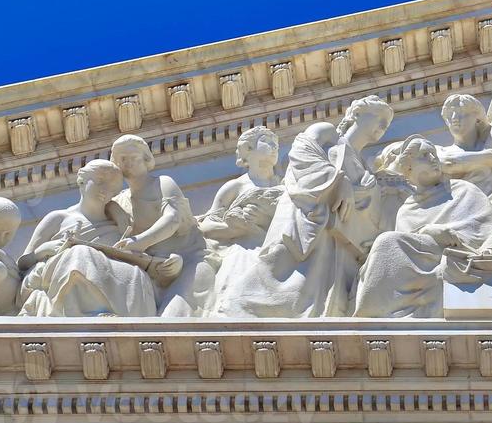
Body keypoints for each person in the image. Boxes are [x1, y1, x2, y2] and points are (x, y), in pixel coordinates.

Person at [214, 97, 397, 318]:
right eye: (379, 118)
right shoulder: (329, 134)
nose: (383, 127)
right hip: (307, 221)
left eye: (386, 124)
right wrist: (338, 180)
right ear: (356, 115)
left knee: (323, 298)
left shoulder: (365, 168)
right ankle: (237, 308)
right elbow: (301, 150)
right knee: (278, 270)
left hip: (340, 243)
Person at [354, 136, 492, 318]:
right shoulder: (407, 209)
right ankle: (376, 314)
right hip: (426, 258)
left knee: (387, 241)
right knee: (387, 243)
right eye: (424, 155)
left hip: (464, 252)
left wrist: (459, 239)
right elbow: (407, 248)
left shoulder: (462, 189)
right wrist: (428, 232)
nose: (433, 158)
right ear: (409, 167)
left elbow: (489, 227)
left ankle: (374, 316)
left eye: (433, 154)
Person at [17, 160, 158, 318]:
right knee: (80, 253)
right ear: (82, 180)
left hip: (111, 273)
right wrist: (41, 251)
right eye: (100, 182)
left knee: (137, 274)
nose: (105, 190)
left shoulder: (119, 224)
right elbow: (22, 265)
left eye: (112, 188)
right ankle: (87, 313)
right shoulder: (59, 218)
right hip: (64, 267)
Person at [109, 134, 210, 317]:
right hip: (150, 272)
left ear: (146, 159)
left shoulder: (162, 183)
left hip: (190, 261)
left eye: (134, 157)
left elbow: (173, 218)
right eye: (122, 159)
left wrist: (139, 241)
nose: (128, 163)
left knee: (174, 316)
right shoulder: (118, 203)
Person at [198, 126, 283, 254]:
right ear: (248, 148)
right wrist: (239, 227)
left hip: (280, 246)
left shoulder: (285, 184)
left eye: (276, 143)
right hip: (248, 251)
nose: (275, 147)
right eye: (266, 141)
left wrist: (264, 220)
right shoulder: (235, 186)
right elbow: (206, 228)